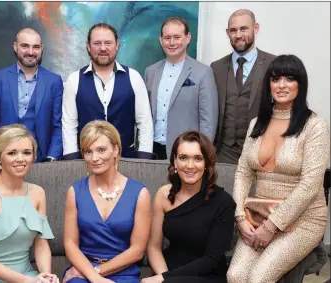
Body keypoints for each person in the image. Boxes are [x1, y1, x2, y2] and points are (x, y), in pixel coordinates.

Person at [227, 55, 330, 283]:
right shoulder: (257, 123)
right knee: (235, 276)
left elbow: (311, 184)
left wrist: (273, 226)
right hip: (259, 215)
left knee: (258, 278)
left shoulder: (315, 126)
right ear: (269, 84)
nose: (282, 85)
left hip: (304, 219)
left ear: (300, 85)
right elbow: (243, 172)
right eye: (276, 79)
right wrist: (240, 217)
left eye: (289, 79)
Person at [63, 120, 152, 283]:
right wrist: (91, 275)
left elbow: (138, 250)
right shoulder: (75, 191)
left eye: (101, 150)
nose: (94, 158)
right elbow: (70, 244)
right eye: (88, 152)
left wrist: (97, 273)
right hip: (82, 270)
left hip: (123, 272)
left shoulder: (140, 193)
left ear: (116, 150)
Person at [0, 124, 58, 283]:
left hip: (31, 276)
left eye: (27, 153)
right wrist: (27, 281)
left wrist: (45, 276)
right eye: (12, 153)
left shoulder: (38, 193)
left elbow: (41, 243)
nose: (21, 159)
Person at [141, 131, 236, 283]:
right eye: (183, 158)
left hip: (206, 275)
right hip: (168, 269)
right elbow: (153, 247)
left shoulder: (224, 202)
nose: (190, 166)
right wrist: (163, 276)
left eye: (198, 158)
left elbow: (211, 259)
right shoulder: (164, 195)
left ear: (206, 163)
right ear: (175, 161)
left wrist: (167, 280)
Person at [62, 23, 154, 160]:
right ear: (88, 46)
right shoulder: (73, 80)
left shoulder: (134, 77)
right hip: (87, 160)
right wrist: (72, 161)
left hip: (126, 159)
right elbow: (69, 125)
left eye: (108, 43)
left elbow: (145, 123)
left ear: (117, 45)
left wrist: (144, 159)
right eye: (97, 43)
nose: (103, 48)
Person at [0, 28, 63, 163]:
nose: (31, 52)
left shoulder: (54, 81)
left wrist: (51, 158)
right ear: (15, 47)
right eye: (25, 46)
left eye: (36, 47)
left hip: (42, 161)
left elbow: (58, 125)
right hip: (6, 159)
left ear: (41, 49)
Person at [145, 17, 218, 160]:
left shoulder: (203, 72)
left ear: (187, 38)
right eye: (167, 38)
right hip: (152, 149)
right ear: (161, 40)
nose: (172, 43)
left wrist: (202, 154)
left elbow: (208, 121)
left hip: (186, 152)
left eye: (177, 37)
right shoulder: (150, 72)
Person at [210, 9, 276, 165]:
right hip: (222, 155)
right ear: (227, 33)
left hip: (260, 155)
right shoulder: (216, 67)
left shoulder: (273, 64)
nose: (238, 35)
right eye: (233, 30)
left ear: (256, 28)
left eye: (243, 29)